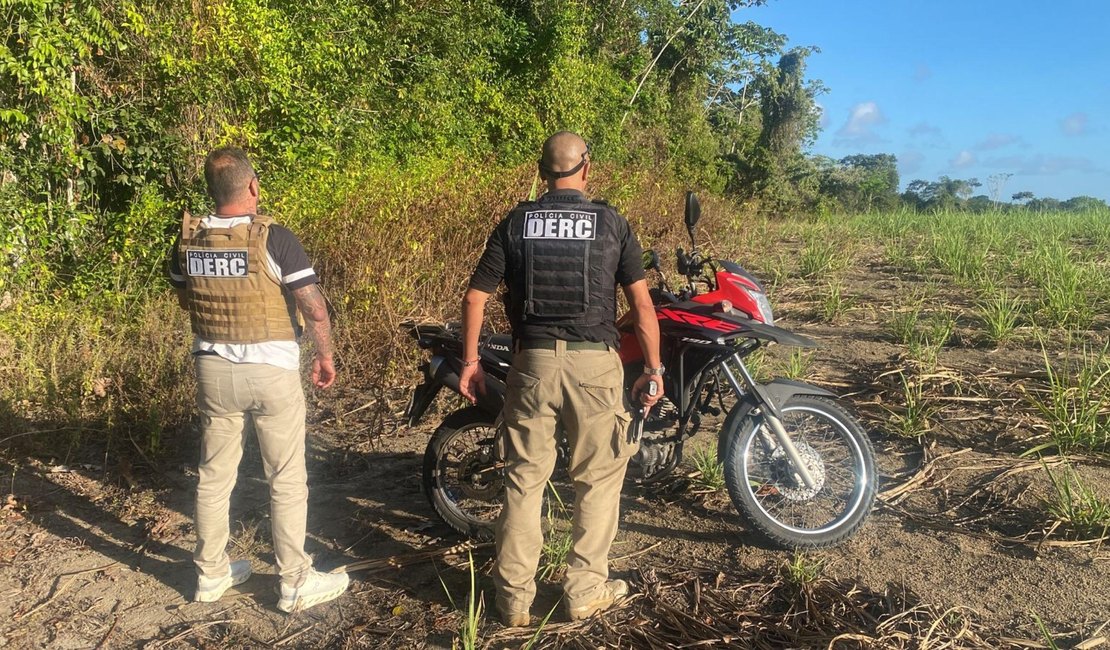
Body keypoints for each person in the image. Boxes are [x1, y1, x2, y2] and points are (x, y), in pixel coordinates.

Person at [458, 131, 664, 626]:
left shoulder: (516, 222)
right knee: (596, 481)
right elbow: (641, 308)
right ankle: (585, 590)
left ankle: (512, 600)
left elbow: (474, 298)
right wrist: (653, 371)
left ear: (541, 172)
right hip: (595, 366)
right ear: (586, 168)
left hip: (532, 367)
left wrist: (471, 362)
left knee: (524, 480)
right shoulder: (611, 223)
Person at [167, 146, 349, 613]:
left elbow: (186, 300)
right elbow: (313, 305)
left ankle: (210, 573)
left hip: (211, 369)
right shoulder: (275, 239)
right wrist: (324, 354)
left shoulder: (187, 241)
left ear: (212, 192)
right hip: (270, 372)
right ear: (251, 187)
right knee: (285, 477)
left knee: (213, 475)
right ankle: (294, 580)